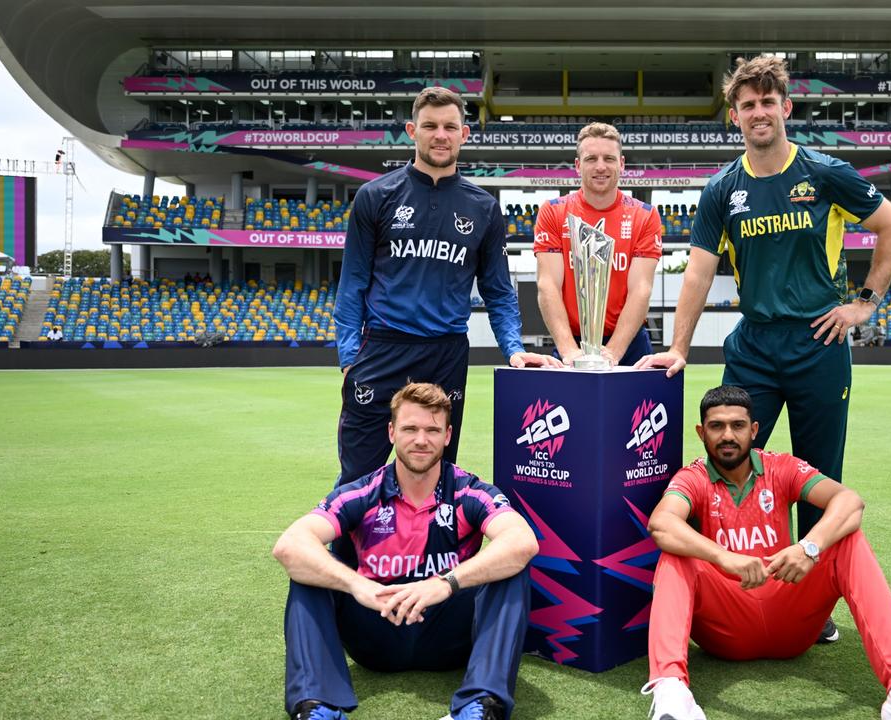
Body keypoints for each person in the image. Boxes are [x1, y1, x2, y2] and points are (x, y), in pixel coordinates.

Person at [635, 55, 891, 643]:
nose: (759, 113)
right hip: (754, 346)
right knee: (727, 464)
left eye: (768, 102)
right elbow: (698, 274)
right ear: (735, 116)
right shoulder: (721, 189)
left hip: (819, 343)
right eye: (748, 105)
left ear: (786, 108)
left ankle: (812, 604)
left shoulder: (825, 171)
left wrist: (864, 303)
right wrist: (679, 347)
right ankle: (722, 588)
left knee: (819, 474)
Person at [641, 386, 891, 720]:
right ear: (702, 433)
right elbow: (661, 523)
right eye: (717, 426)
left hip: (790, 620)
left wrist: (809, 547)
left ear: (754, 430)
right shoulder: (694, 476)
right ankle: (671, 689)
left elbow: (850, 502)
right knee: (676, 553)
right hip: (726, 629)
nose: (728, 435)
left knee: (848, 540)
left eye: (738, 425)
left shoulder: (781, 467)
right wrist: (723, 556)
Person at [334, 86, 560, 485]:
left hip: (446, 354)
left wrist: (514, 350)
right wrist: (350, 357)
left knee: (434, 472)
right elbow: (352, 283)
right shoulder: (376, 196)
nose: (441, 135)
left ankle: (436, 548)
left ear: (464, 134)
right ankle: (345, 549)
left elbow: (499, 291)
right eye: (431, 126)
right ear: (411, 131)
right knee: (359, 474)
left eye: (450, 127)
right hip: (383, 348)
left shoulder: (483, 207)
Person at [273, 383, 538, 720]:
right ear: (391, 432)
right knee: (311, 569)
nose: (421, 439)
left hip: (448, 635)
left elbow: (522, 540)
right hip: (376, 631)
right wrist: (359, 586)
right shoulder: (361, 492)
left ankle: (482, 705)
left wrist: (444, 583)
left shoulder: (469, 490)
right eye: (410, 428)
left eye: (432, 430)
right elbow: (289, 545)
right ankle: (317, 707)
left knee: (511, 566)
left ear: (447, 435)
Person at [532, 122, 663, 365]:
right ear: (578, 165)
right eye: (591, 158)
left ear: (621, 164)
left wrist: (613, 351)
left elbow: (641, 289)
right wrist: (569, 351)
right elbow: (547, 285)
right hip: (570, 342)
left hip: (629, 342)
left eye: (609, 159)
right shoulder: (553, 212)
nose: (601, 166)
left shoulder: (644, 215)